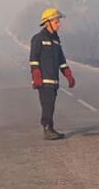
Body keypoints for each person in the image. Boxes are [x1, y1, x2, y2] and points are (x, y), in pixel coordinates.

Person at [29, 8, 76, 140]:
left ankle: (50, 127)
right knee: (47, 104)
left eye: (58, 22)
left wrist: (68, 75)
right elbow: (33, 59)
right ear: (48, 22)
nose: (59, 24)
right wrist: (36, 75)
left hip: (54, 80)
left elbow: (61, 61)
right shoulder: (38, 39)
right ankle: (46, 128)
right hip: (43, 80)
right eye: (56, 22)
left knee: (51, 105)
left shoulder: (56, 41)